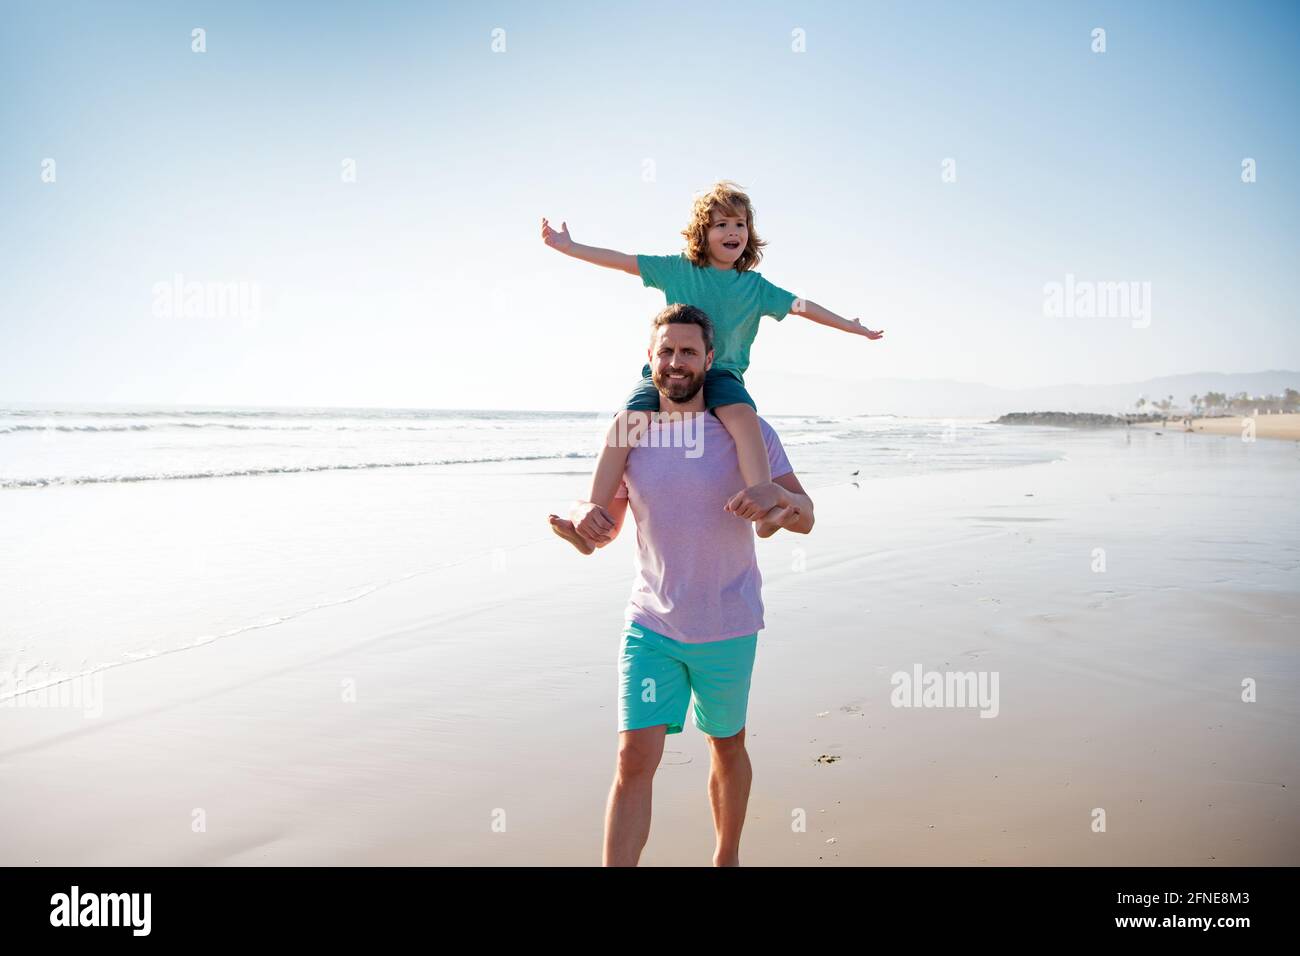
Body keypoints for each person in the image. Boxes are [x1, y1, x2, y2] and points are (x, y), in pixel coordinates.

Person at [550, 303, 814, 866]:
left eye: (688, 351)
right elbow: (605, 528)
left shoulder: (748, 432)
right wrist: (582, 524)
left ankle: (726, 857)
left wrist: (781, 503)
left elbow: (807, 512)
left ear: (709, 359)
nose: (676, 362)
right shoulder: (631, 433)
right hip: (652, 625)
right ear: (650, 359)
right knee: (632, 760)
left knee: (726, 746)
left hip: (728, 625)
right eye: (666, 351)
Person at [541, 180, 874, 555]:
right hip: (666, 372)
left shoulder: (755, 286)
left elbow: (804, 307)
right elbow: (623, 262)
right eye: (722, 224)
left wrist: (851, 326)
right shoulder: (678, 270)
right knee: (624, 423)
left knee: (743, 418)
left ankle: (765, 508)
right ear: (703, 232)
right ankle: (591, 522)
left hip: (724, 373)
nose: (733, 232)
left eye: (740, 225)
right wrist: (570, 248)